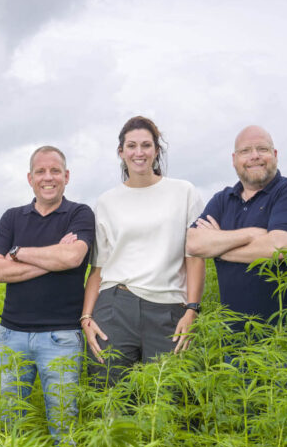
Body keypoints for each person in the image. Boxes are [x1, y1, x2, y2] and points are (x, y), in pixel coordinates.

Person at [80, 116, 205, 388]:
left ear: (156, 151)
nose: (139, 153)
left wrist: (192, 310)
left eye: (146, 145)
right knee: (110, 397)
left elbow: (194, 257)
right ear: (121, 152)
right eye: (132, 145)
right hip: (115, 306)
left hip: (169, 309)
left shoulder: (183, 192)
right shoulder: (106, 201)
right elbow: (98, 268)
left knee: (168, 398)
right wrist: (86, 318)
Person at [0, 146, 95, 442]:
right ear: (30, 178)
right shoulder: (12, 218)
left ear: (67, 176)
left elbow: (72, 259)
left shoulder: (80, 214)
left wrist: (18, 253)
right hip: (10, 337)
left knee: (64, 427)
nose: (48, 178)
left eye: (55, 171)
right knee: (10, 426)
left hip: (61, 338)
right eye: (41, 171)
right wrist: (54, 259)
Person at [185, 125, 287, 328]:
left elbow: (277, 248)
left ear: (274, 155)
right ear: (234, 159)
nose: (254, 156)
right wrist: (251, 235)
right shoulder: (222, 200)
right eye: (245, 151)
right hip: (232, 337)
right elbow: (193, 244)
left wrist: (218, 249)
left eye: (262, 149)